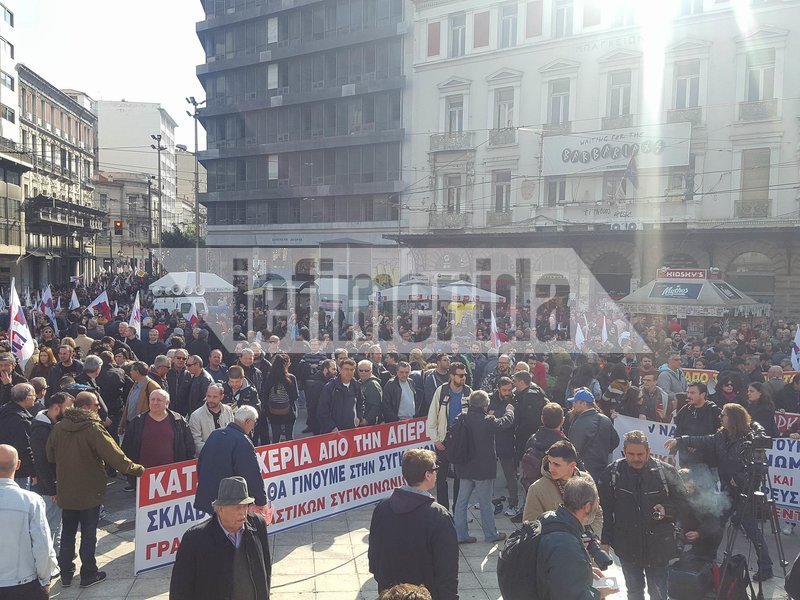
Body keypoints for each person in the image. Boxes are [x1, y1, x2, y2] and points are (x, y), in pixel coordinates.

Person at [665, 403, 774, 581]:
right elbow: (703, 440)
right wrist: (681, 440)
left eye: (723, 415)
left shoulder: (750, 438)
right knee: (716, 523)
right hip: (727, 492)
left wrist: (739, 479)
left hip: (745, 494)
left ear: (733, 418)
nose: (720, 417)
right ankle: (706, 556)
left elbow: (760, 469)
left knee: (752, 531)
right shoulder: (721, 435)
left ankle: (766, 566)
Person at [46, 391, 145, 588]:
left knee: (68, 533)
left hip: (67, 490)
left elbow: (50, 455)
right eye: (96, 405)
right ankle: (89, 573)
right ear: (86, 407)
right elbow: (115, 456)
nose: (99, 408)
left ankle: (66, 573)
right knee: (89, 533)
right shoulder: (93, 428)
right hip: (90, 490)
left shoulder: (59, 427)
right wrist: (138, 470)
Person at [598, 431, 687, 600]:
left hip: (658, 548)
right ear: (624, 451)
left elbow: (684, 505)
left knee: (658, 593)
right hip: (627, 546)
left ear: (649, 451)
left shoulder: (666, 472)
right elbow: (605, 511)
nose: (636, 458)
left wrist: (666, 510)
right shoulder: (612, 473)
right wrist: (604, 543)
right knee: (634, 593)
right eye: (631, 454)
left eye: (640, 454)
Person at [368, 448, 458, 600]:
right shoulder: (439, 516)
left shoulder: (382, 507)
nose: (437, 473)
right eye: (435, 469)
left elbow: (374, 556)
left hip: (391, 594)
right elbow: (447, 570)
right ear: (427, 475)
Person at [170, 476, 273, 600]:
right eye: (237, 507)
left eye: (245, 506)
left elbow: (265, 569)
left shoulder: (257, 524)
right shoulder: (195, 538)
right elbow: (180, 589)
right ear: (220, 509)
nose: (243, 513)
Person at [535, 476, 613, 600]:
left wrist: (584, 571)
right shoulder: (568, 545)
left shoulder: (547, 518)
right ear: (587, 506)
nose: (598, 506)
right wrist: (600, 594)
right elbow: (572, 596)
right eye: (597, 502)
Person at [454, 390, 514, 544]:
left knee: (461, 502)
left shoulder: (462, 418)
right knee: (485, 502)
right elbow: (505, 423)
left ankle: (460, 535)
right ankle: (490, 534)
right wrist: (509, 411)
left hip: (464, 466)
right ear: (485, 405)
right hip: (483, 469)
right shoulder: (488, 420)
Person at [0, 444, 56, 599]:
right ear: (18, 465)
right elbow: (43, 546)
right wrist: (45, 578)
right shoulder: (31, 501)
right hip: (24, 584)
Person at [194, 405, 269, 515]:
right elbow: (251, 474)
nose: (254, 427)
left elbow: (201, 463)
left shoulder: (215, 434)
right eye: (254, 423)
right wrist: (261, 501)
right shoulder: (242, 441)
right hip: (230, 499)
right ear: (248, 421)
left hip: (210, 496)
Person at [522, 440, 603, 538]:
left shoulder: (586, 480)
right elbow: (530, 529)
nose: (551, 468)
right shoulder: (537, 489)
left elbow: (597, 512)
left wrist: (595, 538)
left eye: (557, 464)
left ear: (572, 465)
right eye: (550, 462)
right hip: (558, 548)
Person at [121, 390, 195, 489]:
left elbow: (189, 446)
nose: (155, 402)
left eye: (159, 400)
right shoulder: (137, 422)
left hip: (173, 476)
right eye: (152, 399)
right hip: (144, 475)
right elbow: (127, 448)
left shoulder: (179, 421)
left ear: (167, 403)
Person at [30, 391, 74, 556]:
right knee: (50, 524)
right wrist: (52, 488)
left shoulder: (53, 425)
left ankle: (57, 553)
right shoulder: (41, 429)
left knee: (57, 523)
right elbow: (41, 462)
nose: (71, 410)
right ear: (56, 408)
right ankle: (50, 559)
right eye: (68, 407)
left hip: (57, 484)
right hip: (50, 487)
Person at [426, 362, 472, 510]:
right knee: (441, 477)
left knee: (460, 476)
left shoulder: (468, 392)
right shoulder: (442, 391)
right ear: (452, 376)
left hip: (461, 441)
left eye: (465, 375)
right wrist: (436, 439)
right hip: (443, 439)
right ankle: (443, 509)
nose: (463, 378)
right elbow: (432, 415)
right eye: (460, 375)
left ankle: (457, 509)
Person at [566, 388, 619, 482]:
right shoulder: (606, 419)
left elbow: (574, 449)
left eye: (575, 402)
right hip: (602, 468)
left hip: (583, 471)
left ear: (583, 404)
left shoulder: (579, 422)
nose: (573, 404)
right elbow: (615, 441)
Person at [669, 383, 721, 468]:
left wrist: (697, 447)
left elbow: (717, 437)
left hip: (707, 463)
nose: (689, 395)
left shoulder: (714, 411)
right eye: (688, 392)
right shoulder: (685, 410)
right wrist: (672, 452)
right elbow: (678, 432)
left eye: (692, 393)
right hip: (686, 462)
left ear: (703, 394)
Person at [0, 382, 36, 488]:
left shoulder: (4, 410)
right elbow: (24, 447)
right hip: (17, 472)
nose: (35, 398)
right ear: (26, 398)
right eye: (33, 395)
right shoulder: (20, 419)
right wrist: (34, 472)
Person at [317, 358, 365, 434]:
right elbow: (322, 410)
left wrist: (359, 417)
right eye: (346, 369)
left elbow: (360, 403)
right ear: (340, 369)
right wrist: (331, 427)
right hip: (334, 432)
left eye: (352, 370)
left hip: (352, 430)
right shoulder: (330, 387)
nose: (349, 372)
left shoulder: (356, 386)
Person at [263, 353, 299, 442]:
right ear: (288, 364)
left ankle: (276, 454)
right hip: (289, 411)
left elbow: (265, 394)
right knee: (289, 436)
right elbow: (295, 396)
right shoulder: (291, 378)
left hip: (273, 411)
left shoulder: (270, 377)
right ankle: (291, 454)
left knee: (275, 437)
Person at [189, 383, 234, 453]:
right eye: (209, 396)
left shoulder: (228, 410)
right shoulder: (196, 416)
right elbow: (196, 442)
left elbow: (232, 433)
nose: (211, 400)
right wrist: (214, 451)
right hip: (207, 457)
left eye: (215, 397)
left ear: (221, 397)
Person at [120, 361, 161, 434]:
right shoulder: (135, 384)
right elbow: (128, 405)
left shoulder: (152, 386)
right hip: (131, 424)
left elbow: (159, 407)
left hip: (143, 426)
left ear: (137, 372)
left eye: (131, 370)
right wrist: (123, 423)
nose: (130, 373)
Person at [358, 360, 384, 425]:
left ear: (371, 371)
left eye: (366, 370)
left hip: (370, 424)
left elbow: (377, 406)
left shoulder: (373, 384)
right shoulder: (358, 383)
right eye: (361, 370)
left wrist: (366, 420)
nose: (363, 372)